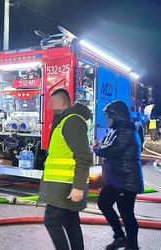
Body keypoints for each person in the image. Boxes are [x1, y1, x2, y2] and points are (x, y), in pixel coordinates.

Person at [39, 88, 92, 250]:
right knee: (71, 223)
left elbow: (83, 156)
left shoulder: (72, 121)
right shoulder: (65, 121)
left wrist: (78, 186)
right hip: (64, 184)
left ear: (62, 102)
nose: (50, 106)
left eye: (52, 102)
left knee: (51, 221)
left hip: (66, 186)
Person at [93, 100, 144, 250]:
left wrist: (96, 148)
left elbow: (112, 151)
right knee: (103, 203)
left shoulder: (126, 131)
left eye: (109, 116)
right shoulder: (117, 130)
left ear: (117, 116)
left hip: (126, 181)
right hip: (116, 180)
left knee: (127, 214)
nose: (107, 119)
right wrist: (99, 146)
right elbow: (109, 147)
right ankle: (120, 237)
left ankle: (132, 246)